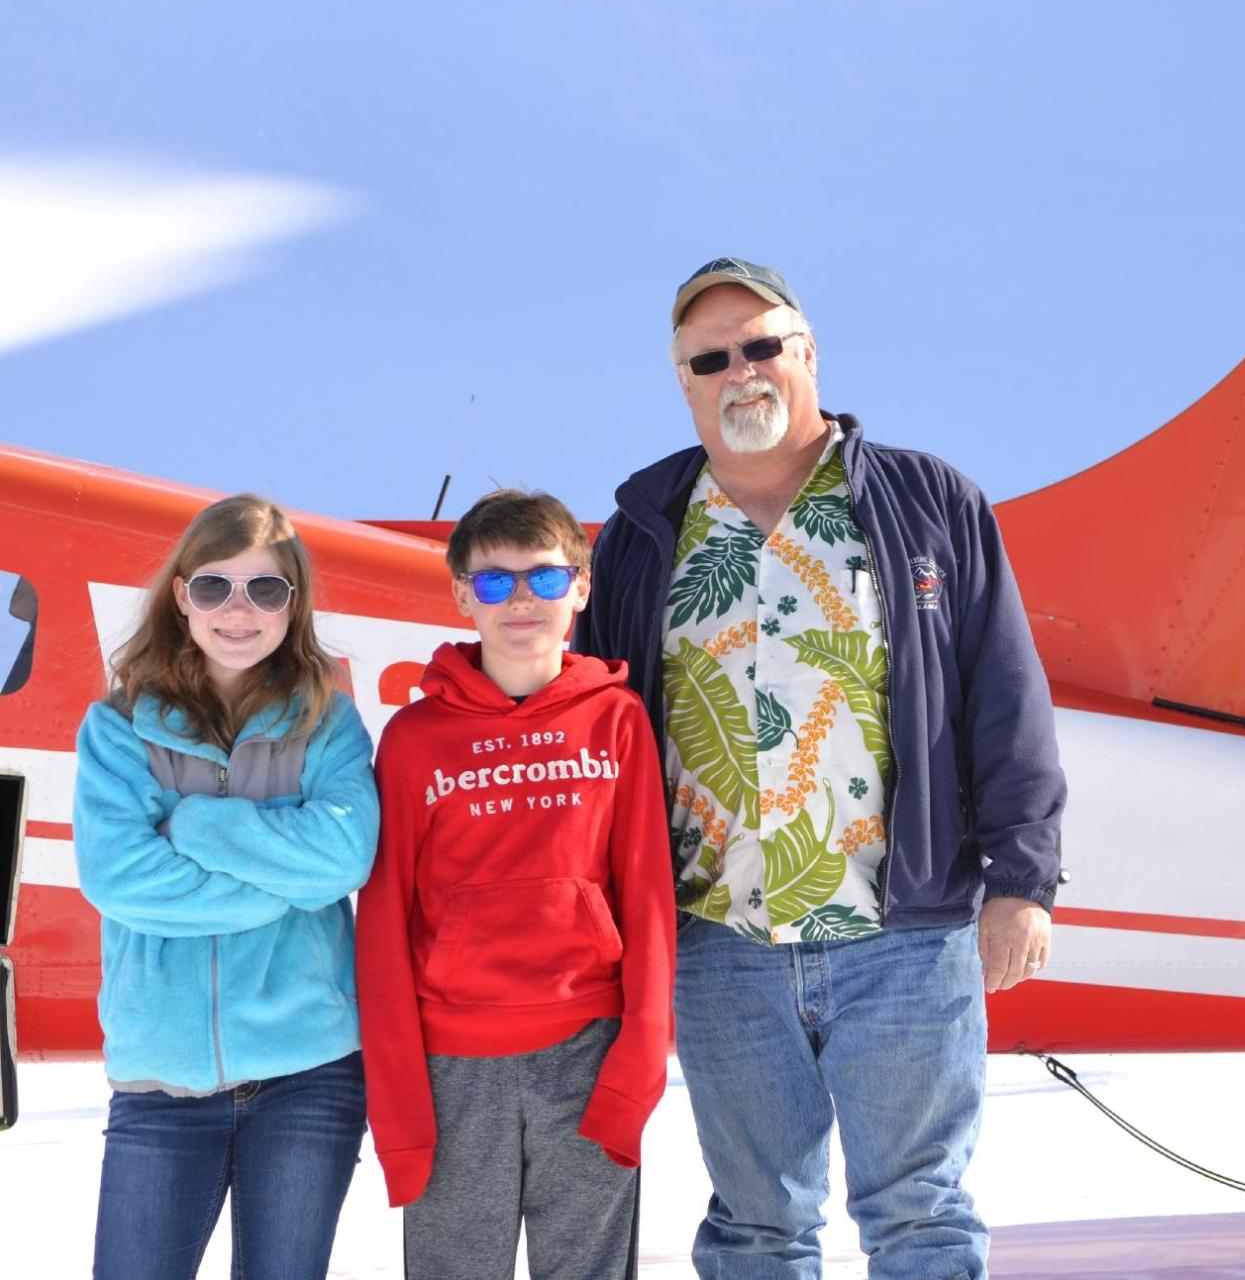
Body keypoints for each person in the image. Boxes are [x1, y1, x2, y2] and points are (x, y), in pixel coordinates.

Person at [573, 257, 1067, 1279]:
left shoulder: (927, 502)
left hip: (904, 935)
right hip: (719, 943)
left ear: (808, 353)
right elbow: (600, 735)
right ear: (684, 382)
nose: (739, 371)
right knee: (755, 1231)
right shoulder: (641, 536)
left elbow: (1005, 698)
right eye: (710, 358)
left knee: (922, 1218)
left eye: (761, 345)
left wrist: (1023, 881)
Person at [356, 490, 676, 1280]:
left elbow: (646, 898)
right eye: (494, 583)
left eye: (542, 577)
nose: (520, 600)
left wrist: (637, 1069)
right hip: (453, 1064)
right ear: (463, 593)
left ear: (582, 587)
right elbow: (385, 922)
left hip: (588, 1051)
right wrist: (399, 1108)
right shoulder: (413, 738)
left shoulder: (618, 721)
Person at [73, 494, 379, 1280]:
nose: (237, 611)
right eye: (214, 587)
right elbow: (120, 878)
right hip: (159, 1084)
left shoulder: (329, 723)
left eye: (265, 590)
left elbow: (342, 861)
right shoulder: (114, 729)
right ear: (181, 595)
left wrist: (202, 829)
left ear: (293, 603)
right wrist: (285, 881)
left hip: (310, 1076)